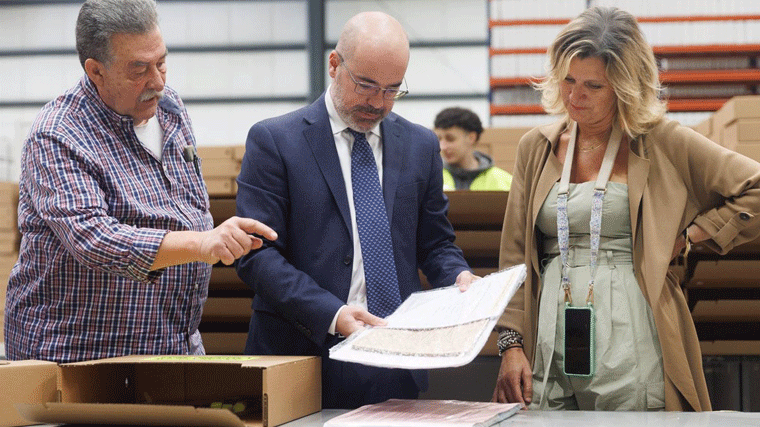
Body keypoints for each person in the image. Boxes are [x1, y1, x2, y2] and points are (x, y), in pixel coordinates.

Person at [492, 6, 760, 411]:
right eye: (567, 80)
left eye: (593, 86)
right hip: (547, 328)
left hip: (632, 327)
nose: (574, 96)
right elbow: (514, 256)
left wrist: (690, 236)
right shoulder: (537, 147)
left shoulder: (662, 141)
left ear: (625, 85)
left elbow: (754, 186)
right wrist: (510, 345)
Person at [3, 0, 276, 363]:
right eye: (139, 69)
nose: (158, 82)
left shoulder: (171, 110)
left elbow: (187, 208)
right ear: (96, 71)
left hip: (171, 346)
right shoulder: (58, 135)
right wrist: (204, 241)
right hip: (78, 357)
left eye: (161, 62)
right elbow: (95, 239)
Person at [235, 12, 476, 409]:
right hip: (301, 356)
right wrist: (333, 313)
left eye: (392, 90)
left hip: (394, 359)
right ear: (334, 64)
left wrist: (458, 276)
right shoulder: (275, 141)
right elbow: (257, 256)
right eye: (366, 85)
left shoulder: (420, 146)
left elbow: (435, 245)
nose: (378, 102)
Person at [433, 107, 512, 191]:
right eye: (439, 139)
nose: (443, 147)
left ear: (471, 138)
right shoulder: (428, 179)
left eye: (451, 139)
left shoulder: (505, 182)